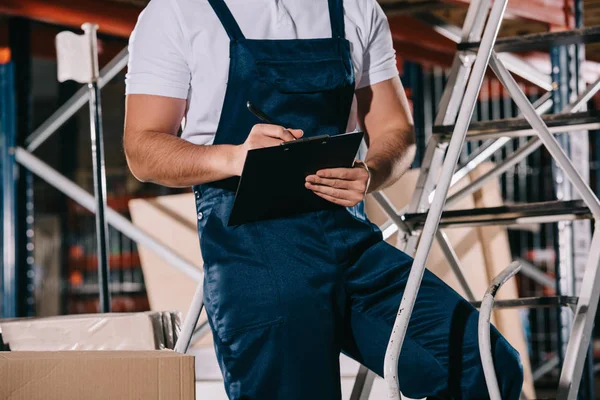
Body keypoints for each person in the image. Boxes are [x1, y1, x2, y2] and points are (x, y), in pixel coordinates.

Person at [123, 0, 524, 398]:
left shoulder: (356, 8)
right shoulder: (178, 11)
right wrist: (233, 157)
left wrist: (372, 172)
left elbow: (394, 129)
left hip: (351, 244)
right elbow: (141, 149)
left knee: (486, 366)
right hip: (256, 256)